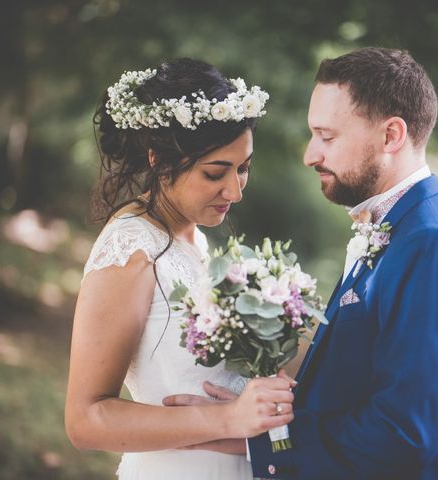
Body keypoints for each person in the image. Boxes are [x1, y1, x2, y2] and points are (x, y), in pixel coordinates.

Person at [169, 47, 438, 479]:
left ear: (391, 136)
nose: (311, 155)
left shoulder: (433, 244)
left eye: (327, 137)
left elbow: (403, 432)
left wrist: (256, 440)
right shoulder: (403, 225)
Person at [64, 58, 295, 480]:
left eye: (243, 167)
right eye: (215, 173)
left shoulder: (194, 239)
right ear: (160, 160)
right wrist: (228, 419)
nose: (236, 191)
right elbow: (85, 420)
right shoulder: (130, 250)